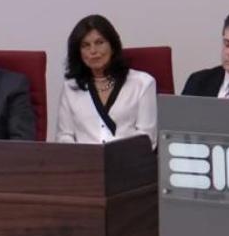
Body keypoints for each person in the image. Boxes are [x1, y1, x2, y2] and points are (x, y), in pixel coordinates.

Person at [55, 14, 157, 147]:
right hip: (84, 159)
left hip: (129, 158)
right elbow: (64, 136)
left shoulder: (142, 83)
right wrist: (81, 155)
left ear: (113, 46)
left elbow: (147, 137)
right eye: (85, 45)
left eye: (99, 43)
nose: (93, 51)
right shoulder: (70, 87)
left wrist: (116, 154)